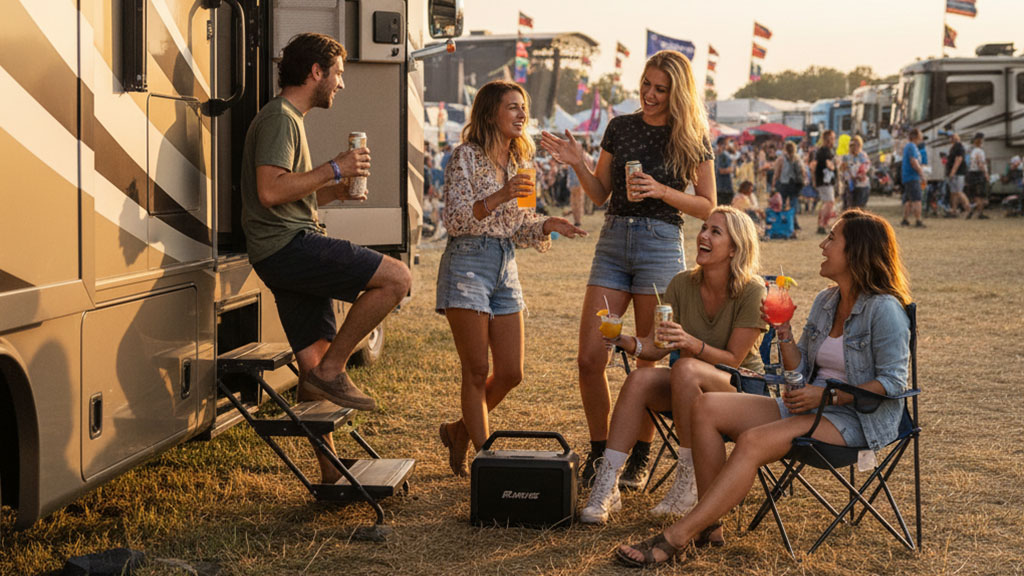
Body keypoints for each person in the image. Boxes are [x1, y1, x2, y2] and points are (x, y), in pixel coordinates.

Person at [614, 209, 912, 567]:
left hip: (857, 417)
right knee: (705, 408)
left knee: (753, 440)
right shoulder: (826, 301)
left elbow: (894, 383)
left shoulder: (885, 309)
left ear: (856, 252)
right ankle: (711, 528)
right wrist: (784, 333)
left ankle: (678, 536)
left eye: (832, 238)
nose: (822, 243)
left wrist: (828, 395)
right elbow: (798, 369)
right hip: (810, 407)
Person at [240, 33, 413, 483]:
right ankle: (335, 368)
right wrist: (334, 168)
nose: (341, 84)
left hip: (281, 245)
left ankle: (332, 473)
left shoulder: (290, 119)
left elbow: (286, 192)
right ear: (316, 71)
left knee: (310, 367)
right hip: (287, 246)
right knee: (395, 278)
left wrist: (333, 191)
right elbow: (269, 189)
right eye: (338, 73)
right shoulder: (280, 118)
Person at [540, 50, 716, 489]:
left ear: (677, 92)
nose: (650, 95)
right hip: (614, 243)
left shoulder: (691, 135)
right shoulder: (620, 126)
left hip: (661, 245)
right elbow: (600, 194)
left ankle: (637, 454)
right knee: (589, 356)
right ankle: (602, 452)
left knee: (646, 362)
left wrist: (661, 189)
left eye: (660, 89)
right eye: (646, 85)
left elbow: (708, 204)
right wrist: (578, 162)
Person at [579, 207, 766, 524]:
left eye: (715, 232)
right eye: (704, 228)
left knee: (685, 367)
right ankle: (607, 483)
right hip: (688, 388)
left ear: (735, 247)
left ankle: (688, 480)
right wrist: (630, 342)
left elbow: (734, 359)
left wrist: (691, 344)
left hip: (740, 390)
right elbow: (655, 346)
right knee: (640, 379)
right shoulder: (681, 284)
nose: (703, 235)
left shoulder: (752, 290)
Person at [435, 80, 585, 476]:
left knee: (512, 372)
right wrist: (501, 194)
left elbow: (518, 225)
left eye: (524, 108)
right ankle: (487, 465)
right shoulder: (464, 157)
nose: (521, 115)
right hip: (467, 262)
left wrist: (548, 224)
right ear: (490, 113)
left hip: (504, 263)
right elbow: (456, 219)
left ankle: (459, 430)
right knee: (476, 370)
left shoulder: (520, 163)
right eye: (512, 107)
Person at [772, 141, 805, 229]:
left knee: (782, 204)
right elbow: (803, 171)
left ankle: (783, 222)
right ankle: (794, 223)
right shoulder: (797, 158)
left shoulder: (781, 159)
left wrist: (774, 183)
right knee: (793, 204)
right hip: (794, 184)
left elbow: (777, 173)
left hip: (784, 184)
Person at [900, 129, 927, 227]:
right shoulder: (911, 146)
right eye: (920, 134)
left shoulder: (911, 146)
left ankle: (905, 219)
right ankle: (918, 220)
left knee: (909, 200)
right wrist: (921, 174)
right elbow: (913, 161)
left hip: (908, 176)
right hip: (912, 176)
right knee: (917, 199)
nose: (922, 136)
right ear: (915, 136)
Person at [813, 130, 837, 234]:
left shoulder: (822, 151)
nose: (834, 140)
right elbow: (829, 166)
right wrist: (836, 166)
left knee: (826, 203)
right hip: (824, 181)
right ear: (828, 139)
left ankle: (821, 224)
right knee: (829, 203)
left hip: (823, 181)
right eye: (833, 138)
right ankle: (822, 225)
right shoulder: (825, 151)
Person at [841, 136, 871, 209]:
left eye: (857, 144)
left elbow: (866, 168)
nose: (854, 147)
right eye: (852, 145)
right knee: (848, 206)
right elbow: (843, 170)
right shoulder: (846, 157)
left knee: (859, 206)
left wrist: (860, 175)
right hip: (849, 185)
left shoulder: (863, 156)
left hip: (861, 185)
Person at [966, 132, 990, 220]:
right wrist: (986, 173)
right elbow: (980, 164)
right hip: (978, 174)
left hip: (971, 173)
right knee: (981, 194)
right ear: (981, 140)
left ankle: (972, 209)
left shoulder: (973, 151)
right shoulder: (980, 151)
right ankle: (979, 213)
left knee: (975, 195)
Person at [945, 132, 970, 217]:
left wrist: (952, 172)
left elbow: (958, 160)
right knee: (953, 192)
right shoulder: (954, 147)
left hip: (958, 173)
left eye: (951, 137)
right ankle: (954, 210)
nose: (950, 139)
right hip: (954, 173)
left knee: (959, 192)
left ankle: (968, 209)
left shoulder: (959, 147)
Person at [716, 139, 736, 206]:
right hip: (725, 187)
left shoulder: (719, 154)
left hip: (720, 186)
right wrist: (731, 169)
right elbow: (722, 171)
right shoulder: (724, 155)